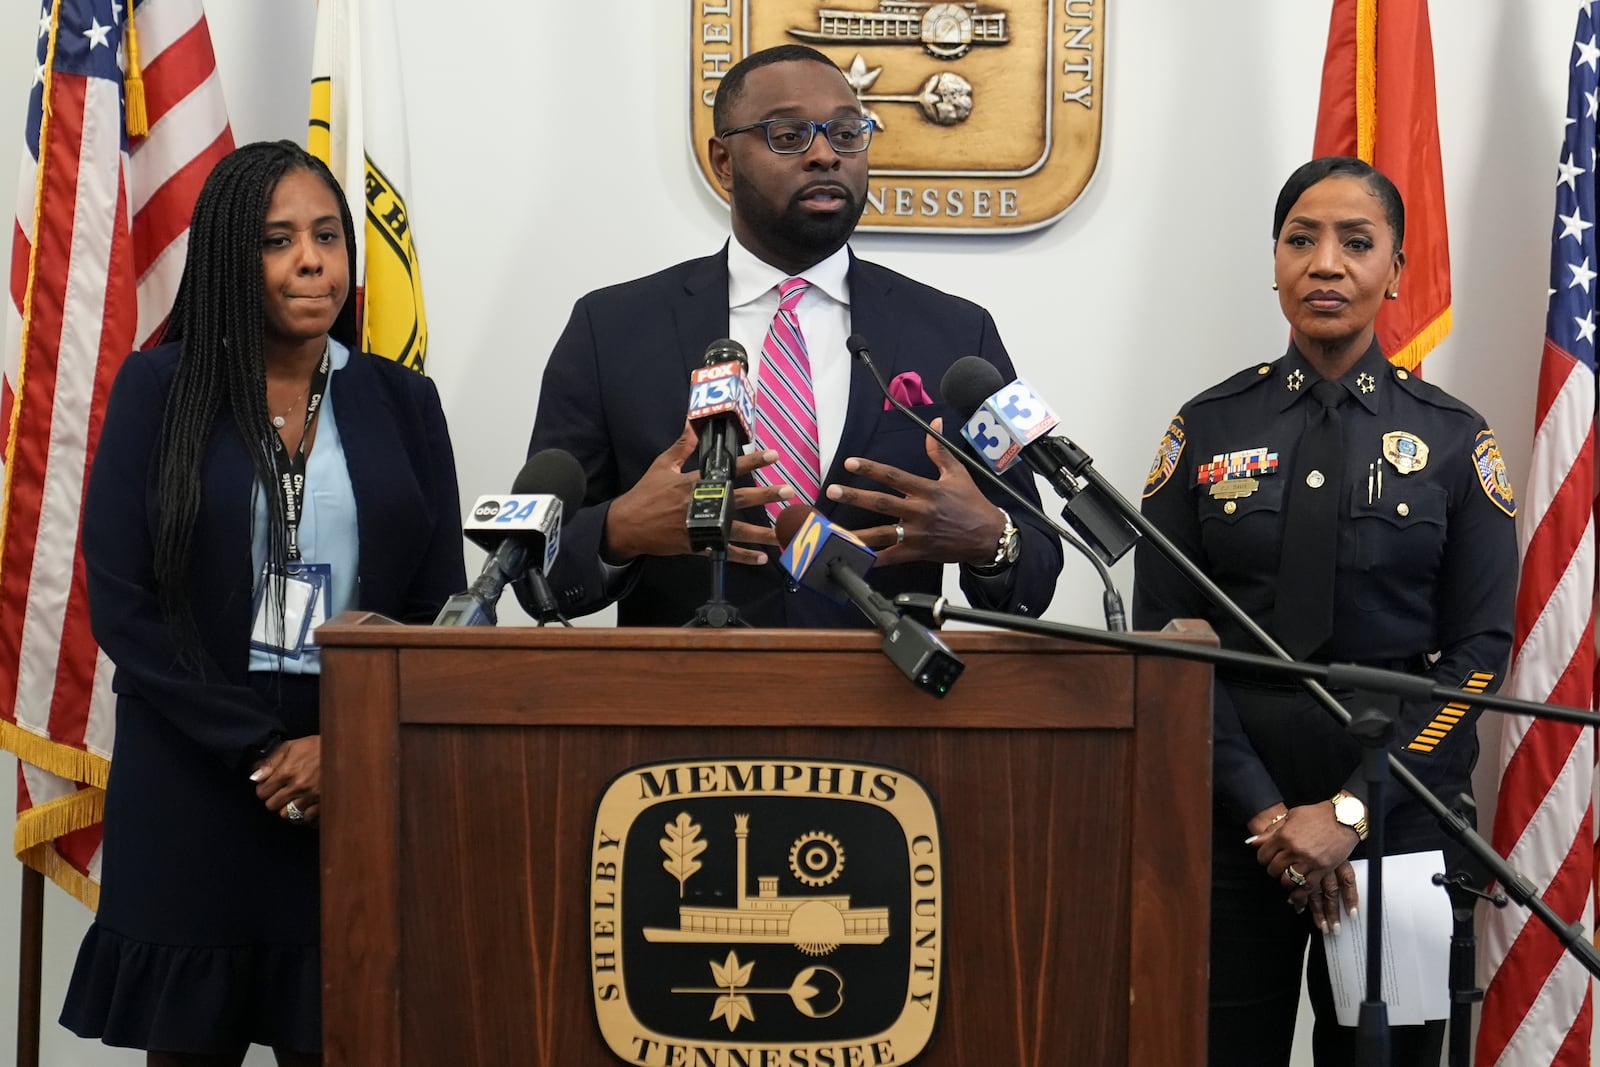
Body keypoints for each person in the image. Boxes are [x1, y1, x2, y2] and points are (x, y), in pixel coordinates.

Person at [59, 141, 466, 1065]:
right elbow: (123, 604)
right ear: (229, 258)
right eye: (278, 240)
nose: (312, 261)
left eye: (328, 236)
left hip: (353, 775)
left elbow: (439, 603)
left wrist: (345, 744)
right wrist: (262, 748)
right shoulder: (158, 389)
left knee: (345, 1034)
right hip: (194, 774)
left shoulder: (404, 401)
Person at [1133, 157, 1517, 1065]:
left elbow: (1479, 654)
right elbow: (1165, 638)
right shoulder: (1209, 427)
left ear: (1397, 270)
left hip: (1397, 817)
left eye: (1356, 242)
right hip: (1234, 826)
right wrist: (1268, 814)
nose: (1326, 264)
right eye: (1301, 240)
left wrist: (1345, 812)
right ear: (1274, 264)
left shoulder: (1454, 439)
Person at [526, 44, 1061, 626]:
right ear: (723, 161)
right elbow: (530, 565)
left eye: (847, 132)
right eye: (789, 135)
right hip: (682, 702)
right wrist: (619, 530)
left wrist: (991, 541)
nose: (826, 155)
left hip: (889, 701)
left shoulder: (958, 335)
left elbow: (1036, 555)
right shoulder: (612, 329)